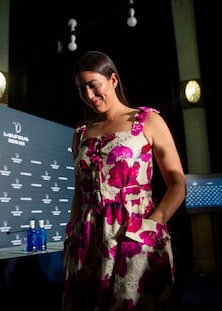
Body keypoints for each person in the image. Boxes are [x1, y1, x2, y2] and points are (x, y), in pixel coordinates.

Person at [61, 51, 186, 311]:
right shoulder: (81, 133)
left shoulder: (148, 121)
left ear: (113, 80)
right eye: (81, 89)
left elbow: (177, 184)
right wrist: (72, 230)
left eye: (93, 85)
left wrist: (152, 225)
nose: (88, 95)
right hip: (87, 239)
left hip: (134, 233)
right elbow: (79, 190)